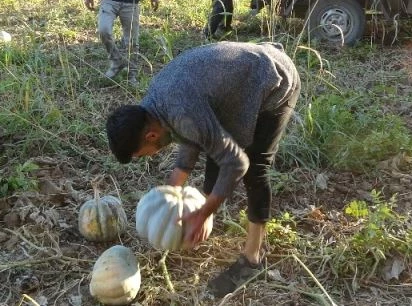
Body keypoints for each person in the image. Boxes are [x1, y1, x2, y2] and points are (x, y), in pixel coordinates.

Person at [105, 41, 301, 296]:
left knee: (255, 170)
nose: (149, 156)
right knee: (215, 152)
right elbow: (192, 134)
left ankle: (252, 260)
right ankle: (202, 224)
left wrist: (203, 213)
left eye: (143, 154)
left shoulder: (178, 111)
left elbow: (236, 162)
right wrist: (170, 192)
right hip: (236, 82)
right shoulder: (151, 108)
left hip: (275, 80)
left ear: (151, 136)